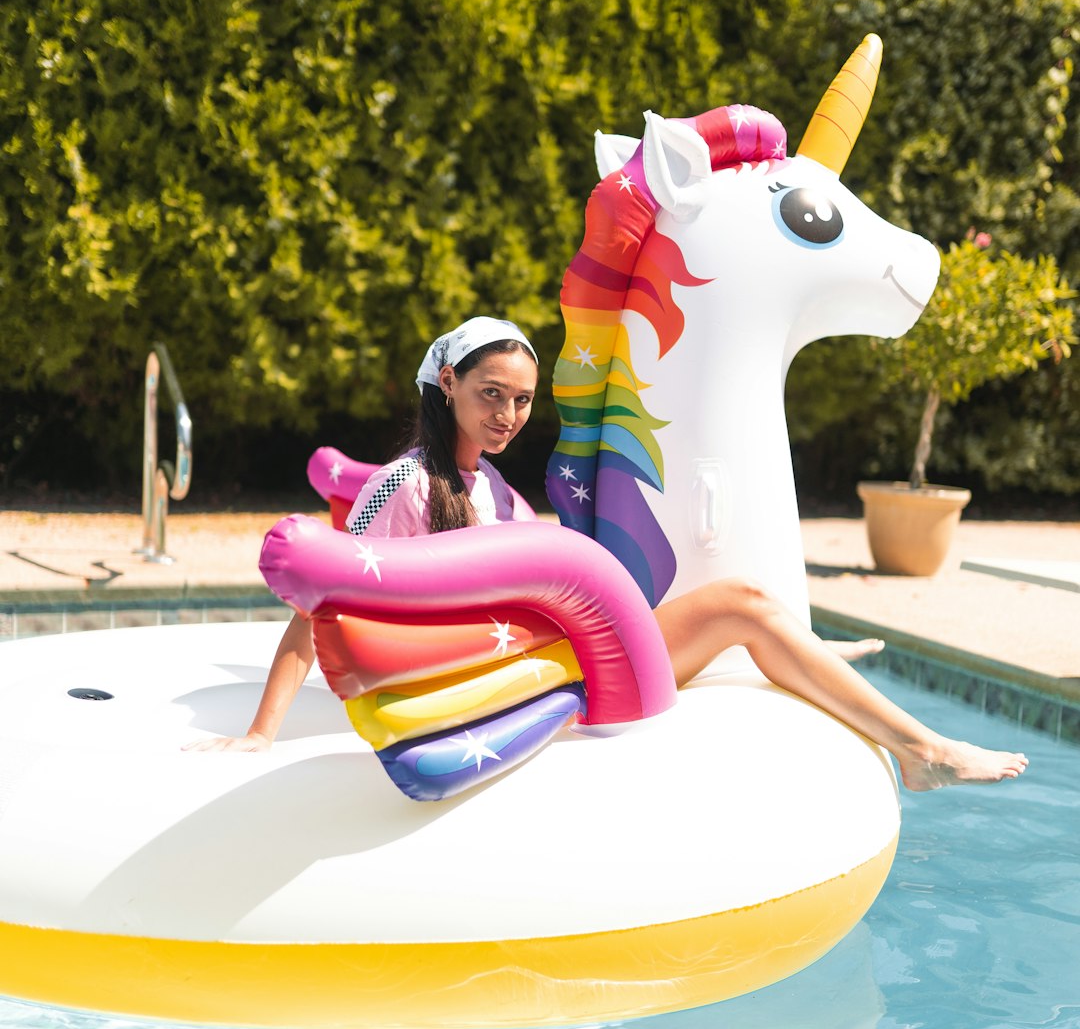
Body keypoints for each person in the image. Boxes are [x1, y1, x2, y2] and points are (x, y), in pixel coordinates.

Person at [187, 318, 1028, 791]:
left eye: (521, 399)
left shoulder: (497, 491)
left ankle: (915, 746)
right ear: (445, 386)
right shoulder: (402, 489)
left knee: (747, 606)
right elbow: (320, 611)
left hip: (552, 663)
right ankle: (924, 750)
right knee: (739, 608)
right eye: (491, 395)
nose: (510, 414)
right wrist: (263, 733)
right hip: (510, 685)